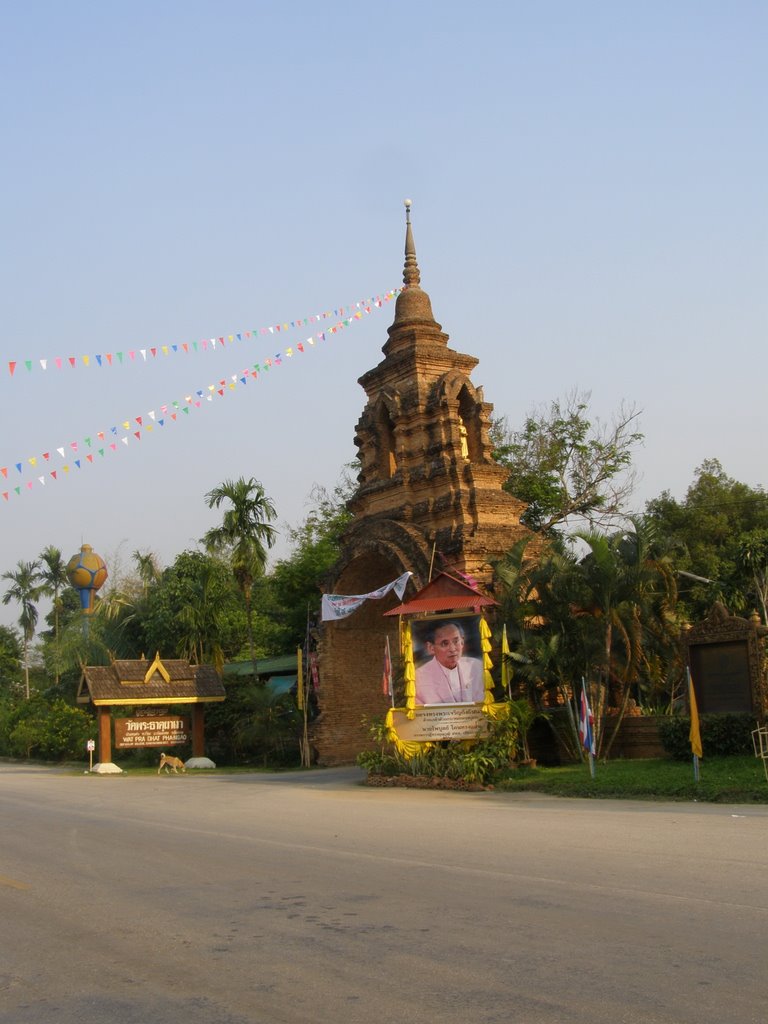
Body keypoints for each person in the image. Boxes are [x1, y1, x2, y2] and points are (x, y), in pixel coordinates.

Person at [415, 620, 485, 704]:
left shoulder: (476, 666)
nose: (452, 649)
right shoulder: (418, 677)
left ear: (462, 642)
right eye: (444, 643)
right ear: (431, 648)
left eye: (456, 641)